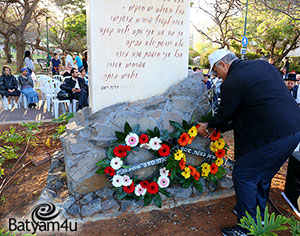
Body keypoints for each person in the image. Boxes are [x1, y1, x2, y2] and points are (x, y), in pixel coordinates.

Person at [197, 49, 300, 236]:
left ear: (223, 64)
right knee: (261, 176)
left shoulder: (233, 81)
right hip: (294, 131)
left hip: (272, 136)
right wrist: (216, 127)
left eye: (216, 71)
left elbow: (224, 114)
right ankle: (256, 215)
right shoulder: (262, 66)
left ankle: (246, 228)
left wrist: (209, 126)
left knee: (244, 175)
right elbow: (248, 109)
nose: (217, 76)